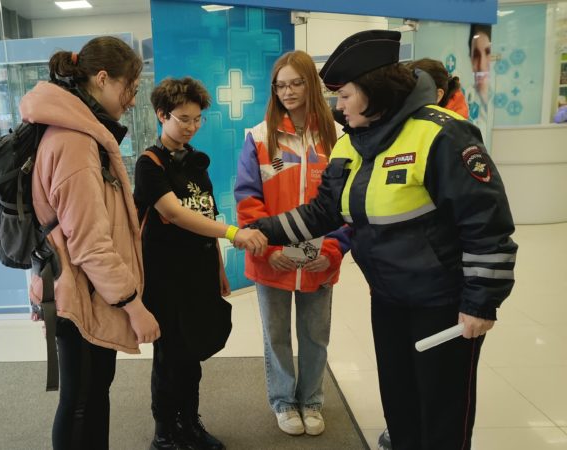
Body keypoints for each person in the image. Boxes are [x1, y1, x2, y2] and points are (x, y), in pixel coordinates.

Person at [247, 30, 518, 450]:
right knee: (400, 403)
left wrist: (482, 301)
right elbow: (324, 211)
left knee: (442, 411)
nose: (337, 106)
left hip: (442, 302)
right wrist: (262, 232)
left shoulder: (441, 135)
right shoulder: (351, 143)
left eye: (346, 95)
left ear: (374, 90)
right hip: (388, 298)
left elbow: (486, 224)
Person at [19, 36, 161, 450]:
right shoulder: (75, 143)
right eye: (129, 88)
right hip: (79, 293)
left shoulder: (77, 135)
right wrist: (134, 306)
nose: (132, 100)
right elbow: (90, 244)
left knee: (92, 394)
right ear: (102, 79)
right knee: (82, 400)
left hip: (84, 290)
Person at [134, 77, 267, 450]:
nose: (191, 127)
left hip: (199, 271)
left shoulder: (195, 161)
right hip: (165, 276)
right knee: (169, 355)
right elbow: (174, 214)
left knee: (191, 353)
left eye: (197, 120)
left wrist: (219, 269)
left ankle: (190, 424)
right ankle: (165, 431)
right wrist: (232, 233)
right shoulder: (149, 164)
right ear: (162, 115)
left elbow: (206, 210)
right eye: (183, 119)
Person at [234, 50, 350, 437]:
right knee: (277, 335)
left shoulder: (338, 136)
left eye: (296, 82)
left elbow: (349, 203)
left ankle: (312, 399)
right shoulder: (259, 136)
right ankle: (284, 400)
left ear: (311, 84)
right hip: (272, 259)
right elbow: (248, 200)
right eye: (280, 85)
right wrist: (269, 248)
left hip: (321, 259)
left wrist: (334, 249)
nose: (288, 91)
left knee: (316, 335)